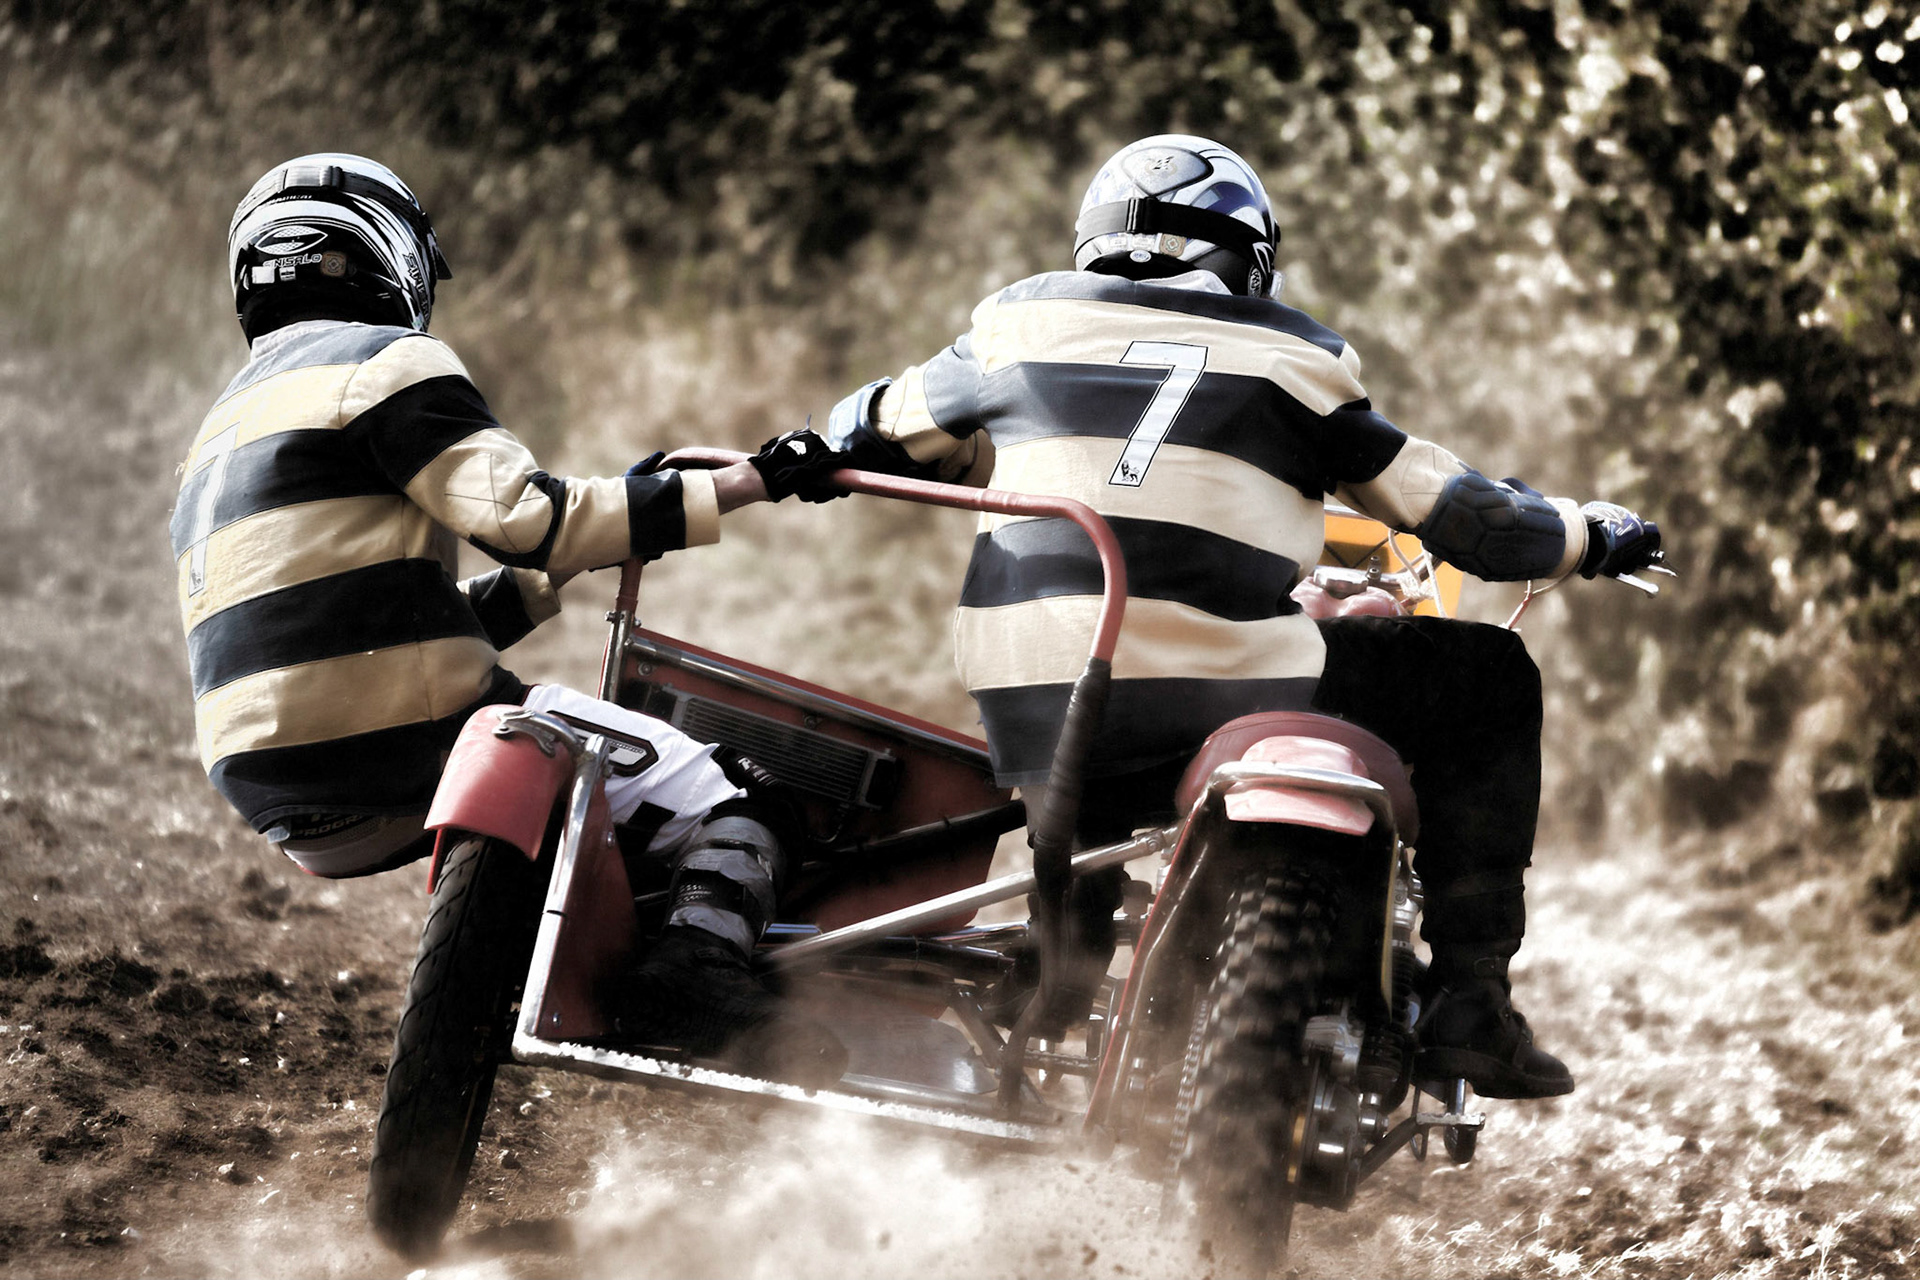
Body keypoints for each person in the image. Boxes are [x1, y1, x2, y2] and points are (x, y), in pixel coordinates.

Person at [818, 135, 1664, 1100]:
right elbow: (1466, 521)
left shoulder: (1014, 327)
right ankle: (1471, 998)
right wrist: (1588, 535)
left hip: (1032, 702)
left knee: (1098, 711)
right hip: (1205, 695)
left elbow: (858, 426)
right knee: (1485, 677)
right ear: (1247, 252)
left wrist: (817, 459)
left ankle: (1072, 936)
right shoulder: (1292, 357)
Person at [171, 153, 848, 1081]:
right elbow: (536, 522)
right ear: (388, 252)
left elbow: (364, 626)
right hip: (408, 744)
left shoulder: (217, 433)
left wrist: (560, 569)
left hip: (269, 786)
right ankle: (693, 971)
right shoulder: (385, 362)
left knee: (567, 733)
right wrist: (754, 479)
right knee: (740, 795)